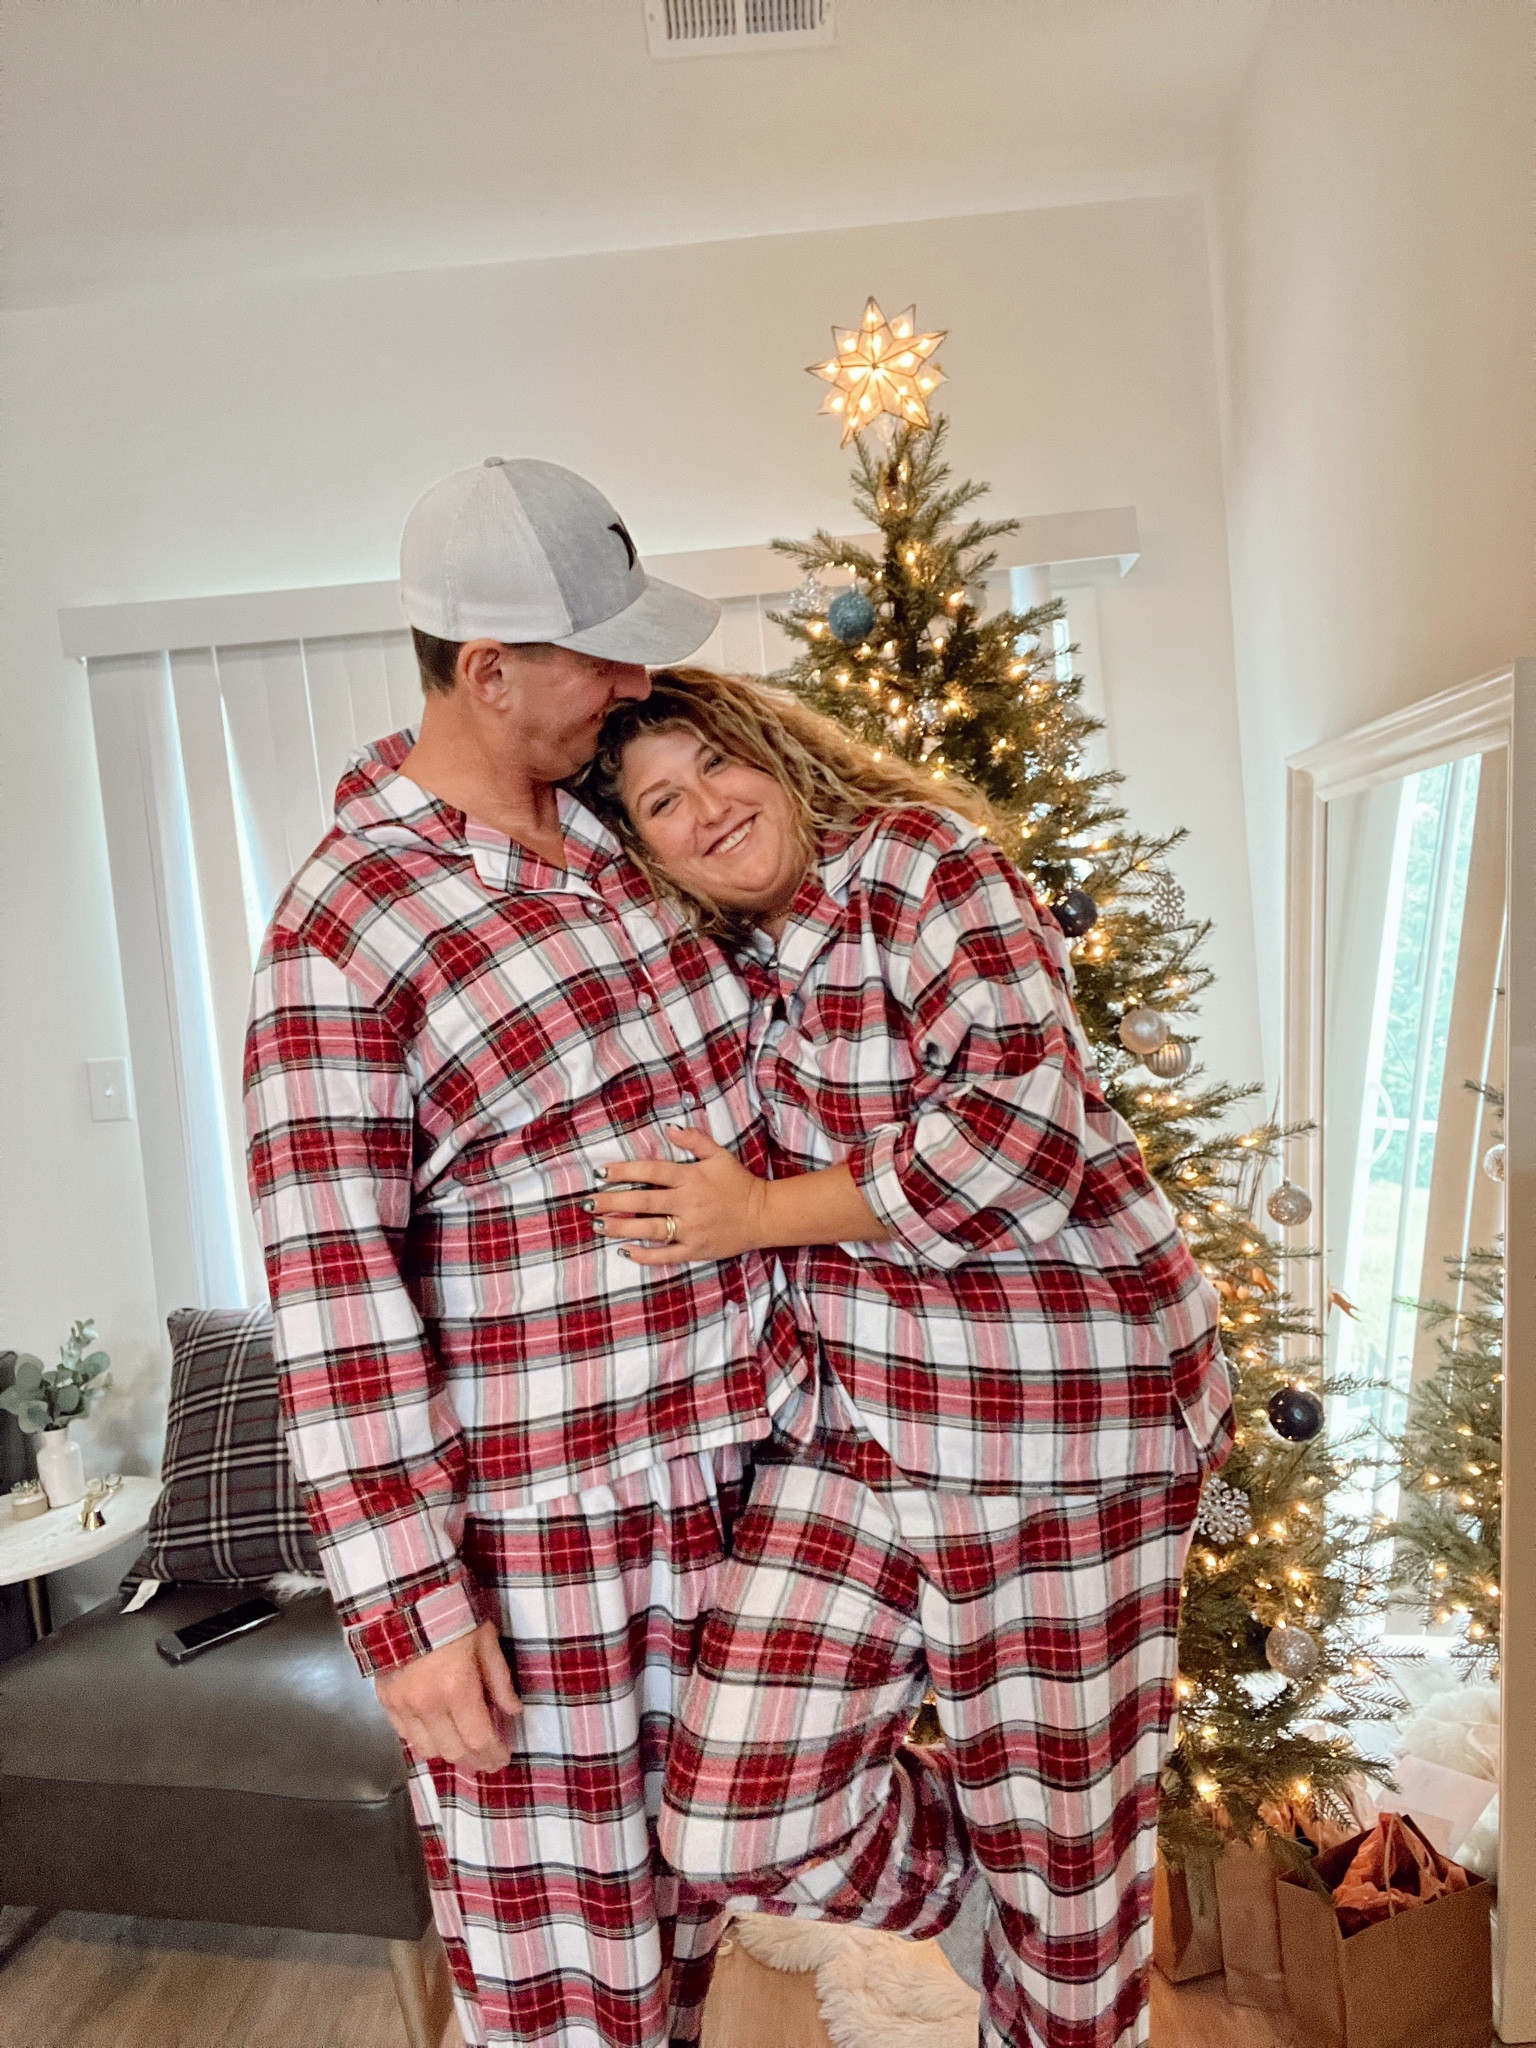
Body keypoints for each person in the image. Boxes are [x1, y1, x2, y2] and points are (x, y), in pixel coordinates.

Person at [245, 462, 821, 2048]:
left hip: (744, 1491)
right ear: (486, 671)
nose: (636, 687)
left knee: (725, 1949)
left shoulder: (624, 844)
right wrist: (410, 1608)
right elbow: (334, 1291)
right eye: (599, 657)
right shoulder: (347, 927)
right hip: (546, 1557)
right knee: (581, 1994)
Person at [580, 666, 1234, 2048]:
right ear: (640, 843)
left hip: (1061, 1428)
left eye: (715, 768)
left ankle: (1062, 1935)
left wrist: (754, 1216)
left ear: (774, 754)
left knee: (1067, 1875)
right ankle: (1025, 1902)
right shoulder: (723, 965)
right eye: (660, 802)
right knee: (728, 1812)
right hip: (862, 1424)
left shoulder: (924, 866)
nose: (704, 809)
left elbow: (1018, 1138)